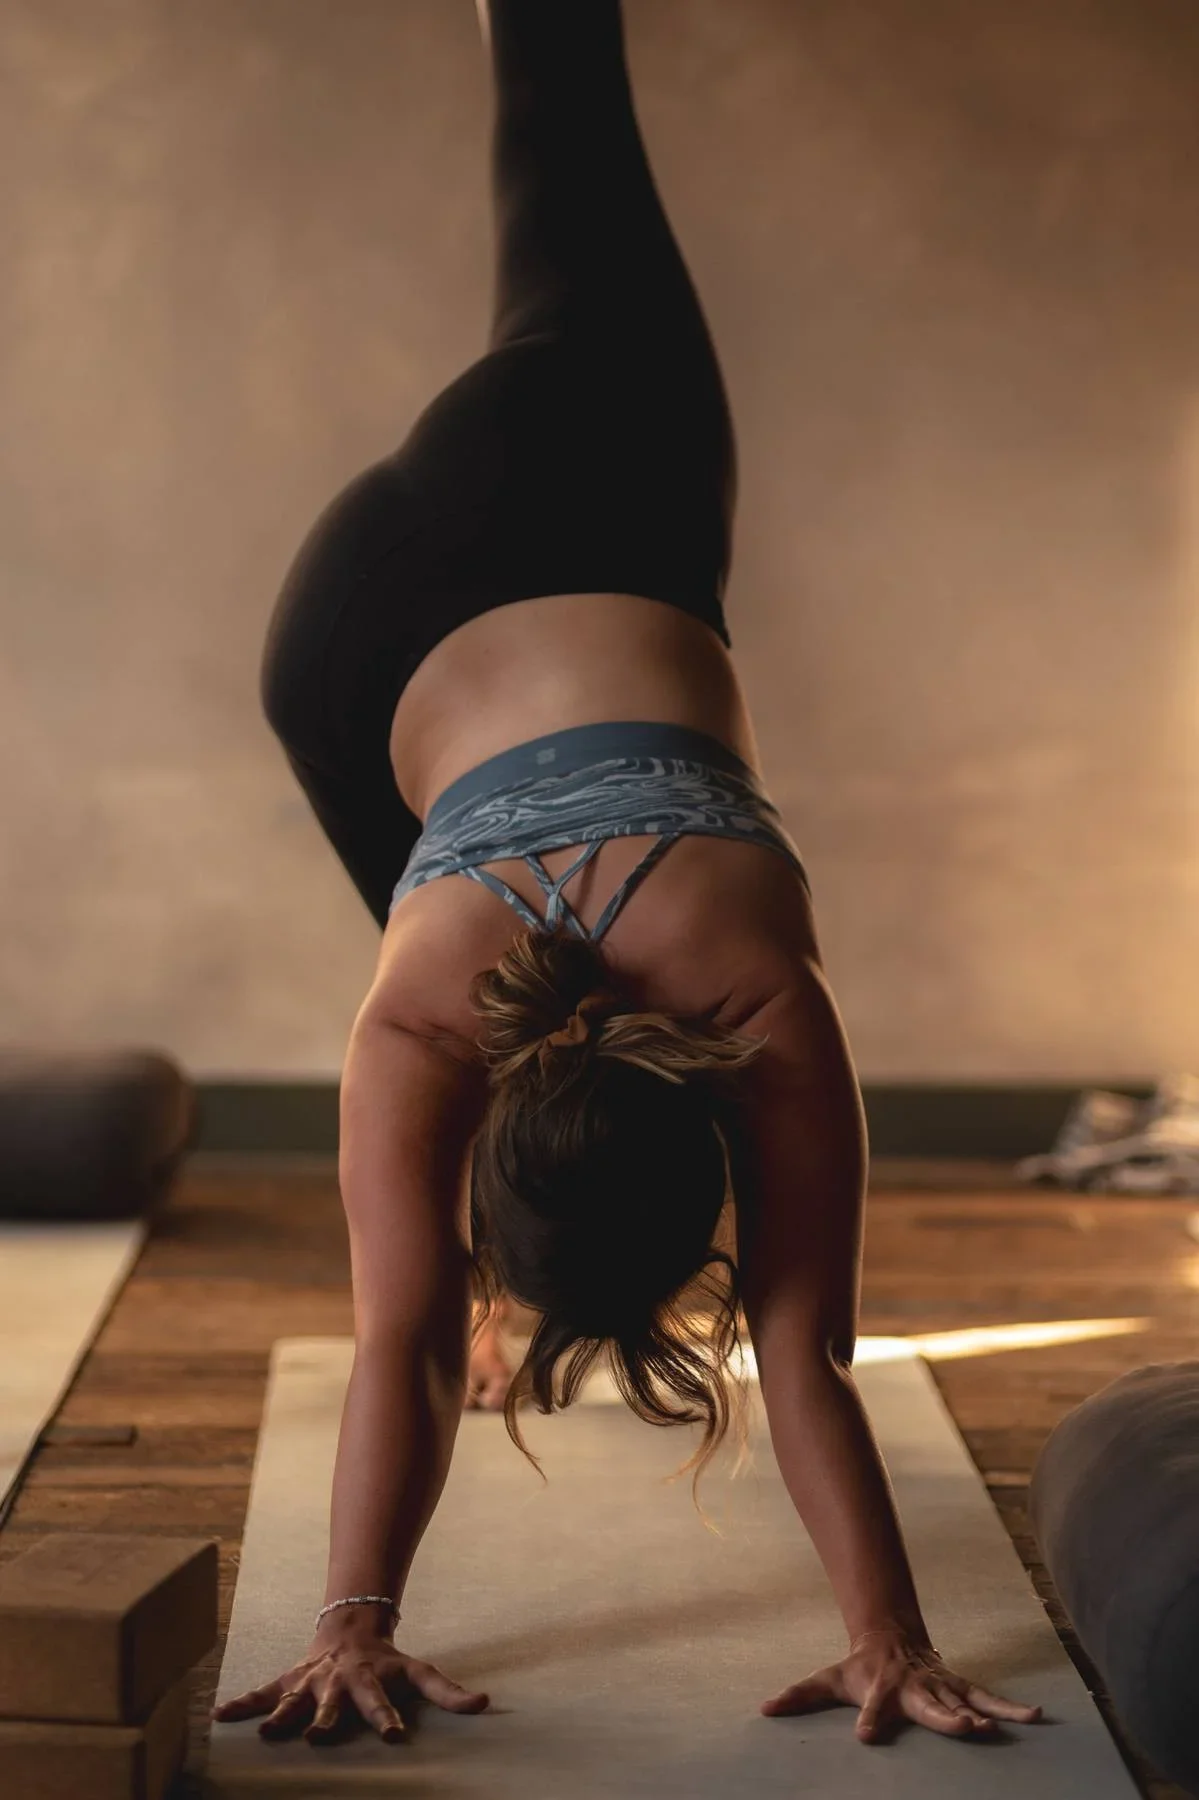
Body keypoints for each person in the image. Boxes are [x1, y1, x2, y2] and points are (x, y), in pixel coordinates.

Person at [214, 0, 1041, 1757]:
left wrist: (350, 1623)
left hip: (567, 476)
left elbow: (793, 1345)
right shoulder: (435, 1014)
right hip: (345, 659)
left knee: (561, 128)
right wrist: (881, 1641)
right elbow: (437, 1333)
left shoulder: (751, 992)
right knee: (558, 158)